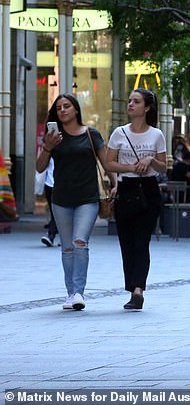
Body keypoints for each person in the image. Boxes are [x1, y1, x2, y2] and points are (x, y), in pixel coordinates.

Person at [35, 94, 114, 311]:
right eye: (59, 107)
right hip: (61, 199)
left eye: (67, 106)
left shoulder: (91, 133)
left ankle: (79, 291)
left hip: (87, 198)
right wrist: (48, 147)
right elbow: (40, 167)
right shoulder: (54, 137)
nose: (62, 110)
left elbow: (105, 162)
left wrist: (114, 183)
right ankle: (70, 293)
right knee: (67, 247)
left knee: (80, 242)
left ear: (76, 109)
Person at [105, 88, 167, 310]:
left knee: (142, 241)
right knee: (127, 242)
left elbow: (163, 166)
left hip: (148, 190)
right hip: (126, 188)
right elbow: (108, 163)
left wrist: (150, 159)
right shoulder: (119, 133)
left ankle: (138, 289)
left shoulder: (156, 134)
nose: (130, 104)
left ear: (147, 107)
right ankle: (132, 287)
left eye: (136, 101)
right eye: (130, 100)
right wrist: (130, 167)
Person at [41, 158, 58, 247]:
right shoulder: (49, 148)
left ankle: (51, 235)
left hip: (64, 185)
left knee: (58, 213)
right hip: (50, 184)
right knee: (54, 212)